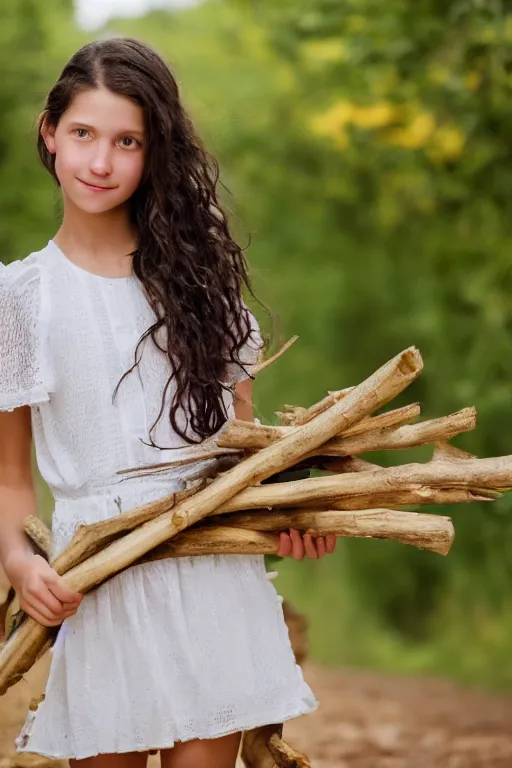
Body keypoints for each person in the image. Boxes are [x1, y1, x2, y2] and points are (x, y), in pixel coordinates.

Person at [0, 38, 336, 767]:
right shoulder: (20, 299)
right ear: (48, 133)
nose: (100, 162)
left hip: (212, 569)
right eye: (84, 134)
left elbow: (240, 448)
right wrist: (20, 564)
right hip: (102, 575)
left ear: (154, 155)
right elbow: (10, 476)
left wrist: (290, 515)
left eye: (128, 142)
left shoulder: (201, 288)